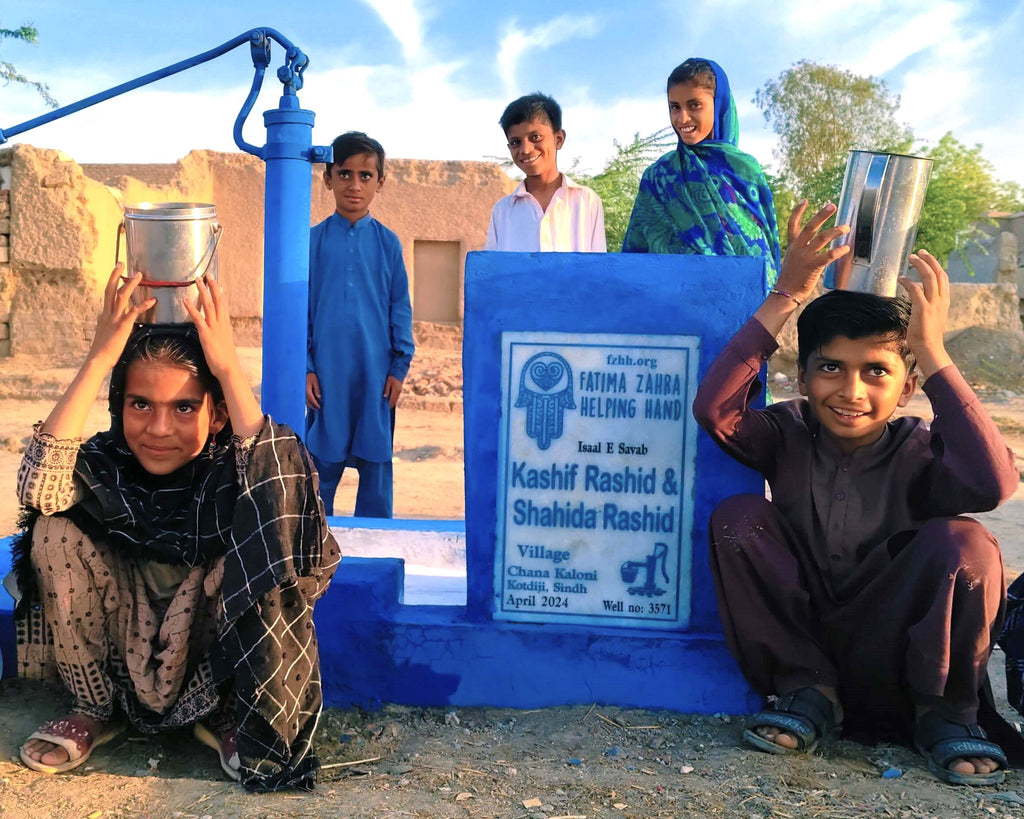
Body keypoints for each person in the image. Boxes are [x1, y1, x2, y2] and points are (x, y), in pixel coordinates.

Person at [692, 201, 1016, 785]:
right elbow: (716, 410)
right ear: (805, 372)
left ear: (908, 384)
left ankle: (942, 714)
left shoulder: (922, 449)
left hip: (900, 652)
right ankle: (811, 694)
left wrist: (935, 351)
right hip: (807, 643)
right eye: (831, 368)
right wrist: (788, 292)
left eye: (876, 371)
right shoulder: (787, 431)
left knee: (967, 543)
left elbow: (993, 482)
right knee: (739, 517)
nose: (851, 390)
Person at [13, 267, 340, 790]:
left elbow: (284, 488)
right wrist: (101, 356)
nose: (159, 428)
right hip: (122, 639)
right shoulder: (106, 462)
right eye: (139, 404)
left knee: (263, 526)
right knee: (52, 533)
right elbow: (37, 492)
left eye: (184, 407)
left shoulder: (230, 470)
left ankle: (232, 714)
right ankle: (94, 709)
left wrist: (228, 365)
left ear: (215, 415)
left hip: (209, 653)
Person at [306, 131, 415, 517]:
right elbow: (300, 311)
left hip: (375, 374)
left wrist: (399, 367)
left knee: (375, 463)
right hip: (328, 375)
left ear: (380, 183)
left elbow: (399, 309)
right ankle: (316, 552)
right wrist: (307, 369)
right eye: (345, 173)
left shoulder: (388, 243)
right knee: (319, 468)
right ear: (328, 178)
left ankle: (377, 551)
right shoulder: (312, 243)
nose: (355, 185)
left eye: (366, 176)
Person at [622, 58, 780, 286]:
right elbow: (635, 256)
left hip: (744, 309)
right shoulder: (658, 177)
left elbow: (766, 252)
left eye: (694, 105)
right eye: (674, 107)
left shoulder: (745, 170)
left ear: (719, 104)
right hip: (673, 308)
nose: (682, 118)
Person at [484, 92, 606, 252]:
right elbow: (495, 271)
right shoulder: (502, 211)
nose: (525, 149)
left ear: (559, 139)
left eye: (535, 137)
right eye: (515, 142)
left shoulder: (586, 201)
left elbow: (597, 268)